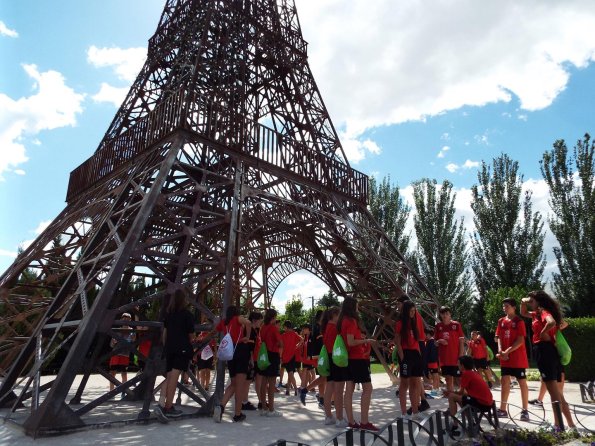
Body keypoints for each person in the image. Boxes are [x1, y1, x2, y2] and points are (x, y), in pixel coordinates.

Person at [521, 291, 576, 431]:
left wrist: (543, 332)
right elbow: (523, 313)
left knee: (554, 394)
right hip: (551, 351)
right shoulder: (536, 314)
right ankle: (571, 425)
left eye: (532, 301)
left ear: (539, 302)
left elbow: (551, 322)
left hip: (544, 351)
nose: (530, 304)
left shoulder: (544, 312)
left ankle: (558, 426)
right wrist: (524, 301)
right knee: (558, 393)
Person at [338, 296, 378, 431]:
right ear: (352, 306)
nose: (358, 308)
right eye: (356, 305)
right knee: (368, 388)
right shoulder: (351, 321)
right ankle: (364, 421)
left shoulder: (342, 321)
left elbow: (347, 341)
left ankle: (351, 421)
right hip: (357, 358)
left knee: (349, 390)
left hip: (347, 359)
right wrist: (366, 341)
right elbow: (351, 342)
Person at [155, 289, 195, 421]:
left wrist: (167, 347)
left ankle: (162, 403)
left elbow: (165, 334)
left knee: (170, 376)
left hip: (170, 349)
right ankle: (168, 407)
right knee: (174, 378)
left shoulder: (169, 314)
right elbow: (191, 335)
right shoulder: (187, 315)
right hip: (182, 349)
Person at [214, 305, 252, 423]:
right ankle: (237, 414)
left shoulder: (224, 322)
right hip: (241, 351)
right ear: (236, 312)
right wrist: (247, 337)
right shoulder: (237, 318)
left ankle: (221, 406)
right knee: (240, 386)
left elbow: (214, 331)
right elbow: (249, 323)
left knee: (234, 384)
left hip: (230, 354)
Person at [494, 298, 530, 421]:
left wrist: (507, 351)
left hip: (517, 358)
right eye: (503, 306)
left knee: (522, 383)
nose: (505, 308)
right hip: (505, 358)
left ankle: (525, 410)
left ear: (514, 307)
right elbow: (498, 337)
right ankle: (503, 409)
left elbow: (520, 341)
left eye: (507, 306)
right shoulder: (501, 321)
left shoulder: (519, 321)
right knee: (504, 382)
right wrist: (500, 350)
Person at [444, 355, 494, 437]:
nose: (457, 365)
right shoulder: (473, 373)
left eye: (458, 364)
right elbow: (465, 393)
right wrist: (451, 392)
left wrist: (449, 392)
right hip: (487, 403)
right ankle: (471, 423)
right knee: (462, 400)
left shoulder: (466, 374)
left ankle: (454, 425)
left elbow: (460, 392)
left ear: (462, 365)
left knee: (451, 397)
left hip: (481, 404)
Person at [397, 295, 430, 413]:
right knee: (404, 384)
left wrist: (420, 355)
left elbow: (417, 340)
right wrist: (402, 358)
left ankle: (415, 411)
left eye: (414, 311)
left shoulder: (414, 323)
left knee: (415, 383)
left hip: (416, 354)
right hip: (406, 355)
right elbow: (398, 343)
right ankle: (404, 413)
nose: (413, 313)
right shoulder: (400, 323)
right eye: (411, 311)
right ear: (406, 311)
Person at [259, 308, 283, 417]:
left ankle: (264, 407)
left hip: (264, 355)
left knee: (263, 382)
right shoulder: (273, 328)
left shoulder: (262, 327)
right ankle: (271, 409)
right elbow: (280, 343)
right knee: (272, 383)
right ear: (273, 317)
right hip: (273, 355)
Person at [435, 306, 465, 394]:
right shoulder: (438, 326)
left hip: (456, 358)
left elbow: (461, 341)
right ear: (440, 315)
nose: (445, 315)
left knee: (460, 380)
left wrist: (461, 356)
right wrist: (440, 341)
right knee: (448, 379)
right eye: (443, 314)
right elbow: (435, 342)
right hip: (444, 359)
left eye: (447, 313)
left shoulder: (456, 325)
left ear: (450, 314)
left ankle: (466, 400)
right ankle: (451, 403)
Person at [109, 313, 134, 393]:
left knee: (124, 373)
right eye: (124, 319)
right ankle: (111, 391)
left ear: (130, 320)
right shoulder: (117, 330)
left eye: (127, 319)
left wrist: (133, 339)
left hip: (125, 354)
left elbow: (133, 342)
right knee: (113, 373)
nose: (126, 320)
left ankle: (124, 391)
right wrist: (113, 341)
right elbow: (111, 345)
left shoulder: (132, 331)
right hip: (116, 354)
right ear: (121, 320)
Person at [280, 320, 301, 397]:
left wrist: (280, 357)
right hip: (292, 356)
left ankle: (295, 389)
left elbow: (281, 347)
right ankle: (288, 389)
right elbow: (301, 339)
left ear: (285, 327)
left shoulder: (283, 335)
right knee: (290, 373)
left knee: (290, 373)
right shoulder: (294, 334)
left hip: (286, 356)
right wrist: (297, 346)